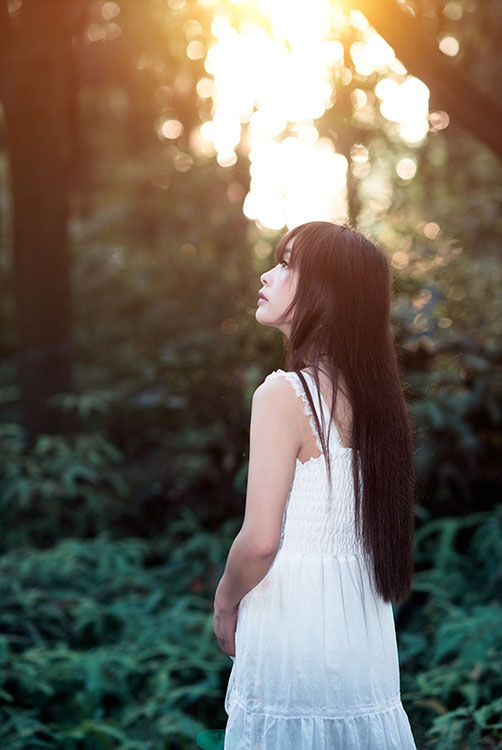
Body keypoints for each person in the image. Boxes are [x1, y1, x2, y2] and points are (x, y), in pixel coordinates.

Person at [213, 221, 417, 749]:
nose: (267, 273)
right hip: (359, 630)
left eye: (286, 264)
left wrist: (225, 603)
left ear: (327, 291)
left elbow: (260, 542)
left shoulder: (284, 393)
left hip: (292, 626)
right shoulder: (378, 402)